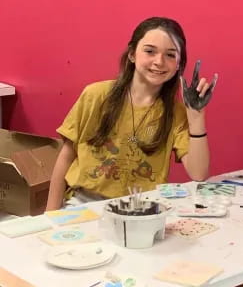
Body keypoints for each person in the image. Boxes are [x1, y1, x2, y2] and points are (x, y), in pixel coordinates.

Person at [46, 17, 218, 210]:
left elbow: (198, 173)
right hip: (85, 203)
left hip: (142, 208)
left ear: (179, 64)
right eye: (150, 51)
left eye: (170, 55)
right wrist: (51, 215)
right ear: (132, 54)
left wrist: (196, 116)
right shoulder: (96, 95)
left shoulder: (175, 112)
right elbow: (66, 156)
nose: (159, 62)